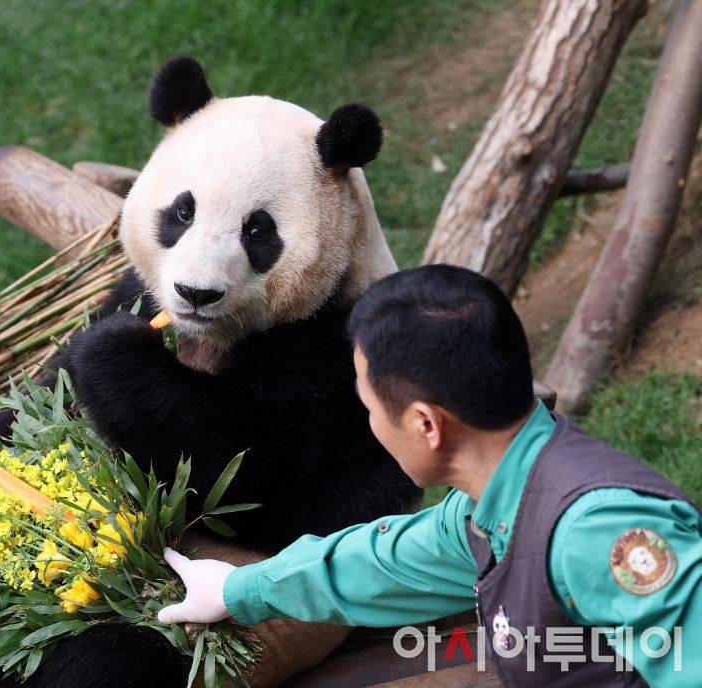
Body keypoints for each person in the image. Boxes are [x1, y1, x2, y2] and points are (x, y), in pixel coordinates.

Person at [157, 265, 701, 687]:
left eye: (368, 406)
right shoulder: (492, 501)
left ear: (426, 425)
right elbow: (386, 562)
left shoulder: (598, 532)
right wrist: (238, 587)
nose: (370, 424)